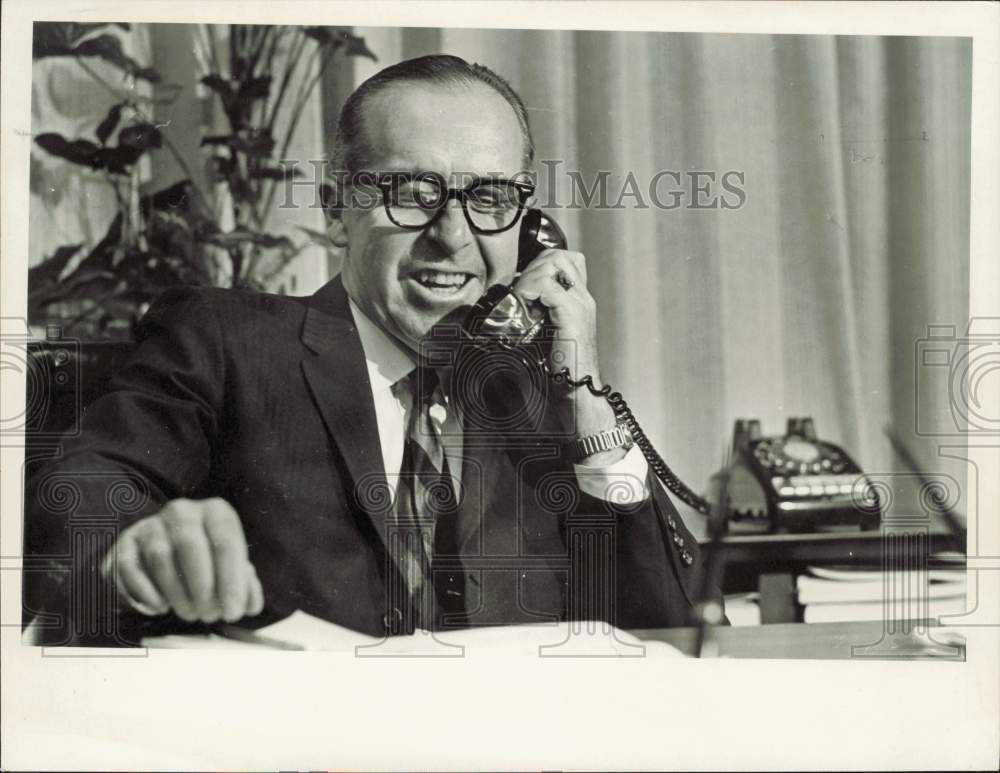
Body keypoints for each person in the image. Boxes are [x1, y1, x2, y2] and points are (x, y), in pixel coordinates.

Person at [26, 55, 719, 645]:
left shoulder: (539, 393)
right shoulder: (228, 339)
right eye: (410, 193)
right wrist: (137, 549)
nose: (452, 235)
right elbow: (84, 491)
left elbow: (665, 629)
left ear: (528, 224)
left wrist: (587, 400)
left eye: (490, 197)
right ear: (335, 208)